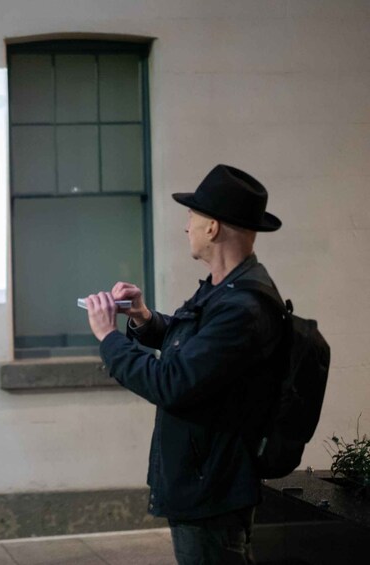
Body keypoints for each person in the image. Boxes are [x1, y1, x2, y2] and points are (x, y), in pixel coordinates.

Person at [84, 164, 285, 565]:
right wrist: (143, 316)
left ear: (212, 227)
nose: (185, 227)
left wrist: (108, 338)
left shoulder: (243, 306)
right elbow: (191, 348)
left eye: (191, 216)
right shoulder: (224, 293)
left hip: (212, 490)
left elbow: (172, 382)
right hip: (200, 481)